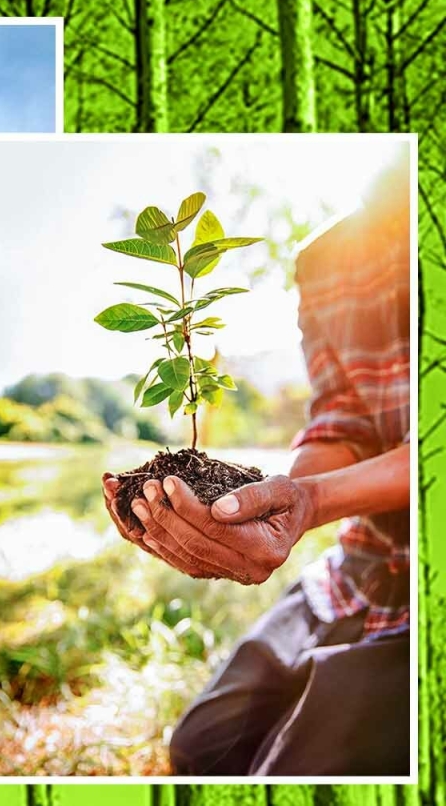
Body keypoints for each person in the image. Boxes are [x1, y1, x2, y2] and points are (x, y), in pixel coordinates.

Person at [102, 160, 411, 776]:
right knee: (201, 748)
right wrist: (287, 500)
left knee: (290, 774)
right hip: (362, 566)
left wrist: (314, 501)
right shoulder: (330, 259)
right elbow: (342, 420)